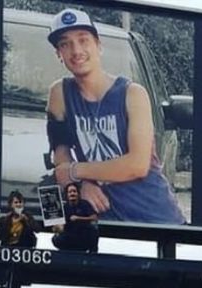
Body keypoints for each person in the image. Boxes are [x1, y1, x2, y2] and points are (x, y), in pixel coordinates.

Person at [46, 7, 185, 225]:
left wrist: (74, 172)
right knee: (48, 193)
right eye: (65, 44)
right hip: (102, 222)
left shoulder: (132, 94)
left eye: (84, 40)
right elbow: (60, 153)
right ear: (58, 54)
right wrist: (81, 185)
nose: (76, 50)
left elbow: (137, 165)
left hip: (153, 218)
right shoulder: (59, 93)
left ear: (98, 46)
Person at [0, 190, 37, 254]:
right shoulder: (5, 220)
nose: (18, 204)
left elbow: (37, 229)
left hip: (24, 252)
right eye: (16, 202)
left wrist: (27, 220)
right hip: (7, 253)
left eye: (20, 202)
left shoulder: (28, 217)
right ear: (11, 205)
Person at [51, 181, 99, 252]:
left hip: (83, 234)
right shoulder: (64, 207)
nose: (72, 193)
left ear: (78, 193)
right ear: (67, 195)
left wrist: (78, 218)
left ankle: (93, 256)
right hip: (70, 235)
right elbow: (60, 227)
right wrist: (57, 228)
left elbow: (94, 217)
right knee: (55, 238)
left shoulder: (84, 204)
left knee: (94, 229)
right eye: (70, 192)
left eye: (74, 191)